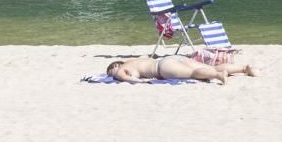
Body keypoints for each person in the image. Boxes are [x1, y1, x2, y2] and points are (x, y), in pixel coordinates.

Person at [106, 55, 257, 85]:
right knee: (209, 68)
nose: (113, 76)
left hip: (162, 68)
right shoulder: (136, 60)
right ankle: (244, 68)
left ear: (115, 66)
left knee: (192, 74)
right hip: (172, 58)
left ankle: (218, 76)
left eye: (110, 73)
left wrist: (140, 82)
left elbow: (128, 79)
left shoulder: (121, 69)